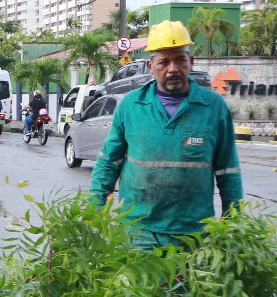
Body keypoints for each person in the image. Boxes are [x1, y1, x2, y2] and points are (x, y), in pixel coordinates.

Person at [88, 20, 243, 252]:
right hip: (137, 231)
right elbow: (108, 163)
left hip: (194, 235)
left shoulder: (214, 107)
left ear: (190, 62)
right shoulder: (131, 106)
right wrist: (94, 212)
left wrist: (233, 226)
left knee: (190, 289)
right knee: (138, 289)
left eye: (180, 59)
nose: (172, 68)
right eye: (164, 61)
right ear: (151, 66)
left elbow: (228, 171)